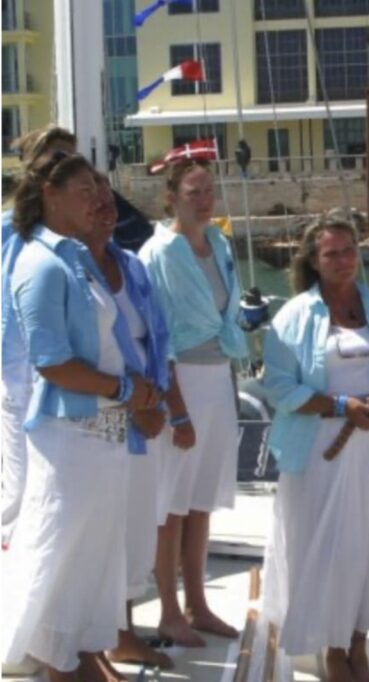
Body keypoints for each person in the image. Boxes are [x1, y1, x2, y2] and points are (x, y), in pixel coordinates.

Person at [0, 152, 160, 681]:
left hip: (103, 439)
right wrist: (126, 389)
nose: (98, 199)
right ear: (50, 193)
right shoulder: (41, 264)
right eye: (85, 190)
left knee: (94, 559)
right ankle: (59, 665)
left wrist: (136, 394)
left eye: (98, 189)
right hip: (70, 440)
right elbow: (51, 363)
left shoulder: (75, 259)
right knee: (61, 558)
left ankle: (85, 654)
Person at [261, 213, 369, 682]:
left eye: (349, 250)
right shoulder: (293, 317)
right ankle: (333, 651)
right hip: (320, 453)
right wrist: (339, 406)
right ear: (314, 261)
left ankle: (358, 646)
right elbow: (278, 387)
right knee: (331, 548)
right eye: (331, 253)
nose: (343, 260)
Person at [139, 159, 246, 646]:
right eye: (193, 192)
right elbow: (156, 337)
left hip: (218, 377)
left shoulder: (220, 245)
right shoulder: (157, 254)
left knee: (201, 502)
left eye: (208, 191)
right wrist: (176, 410)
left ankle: (197, 605)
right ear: (171, 198)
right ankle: (168, 611)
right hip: (180, 382)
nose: (204, 200)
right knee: (173, 507)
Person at [80, 175, 178, 670]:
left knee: (138, 524)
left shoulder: (132, 266)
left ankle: (122, 630)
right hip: (100, 417)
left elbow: (157, 336)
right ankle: (93, 642)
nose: (105, 209)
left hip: (146, 413)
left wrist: (160, 401)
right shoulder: (70, 272)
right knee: (103, 531)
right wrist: (134, 402)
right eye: (93, 200)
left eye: (109, 201)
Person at [1, 126, 78, 549]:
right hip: (17, 370)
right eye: (56, 159)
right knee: (19, 486)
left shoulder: (79, 231)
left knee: (58, 482)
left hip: (69, 372)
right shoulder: (6, 230)